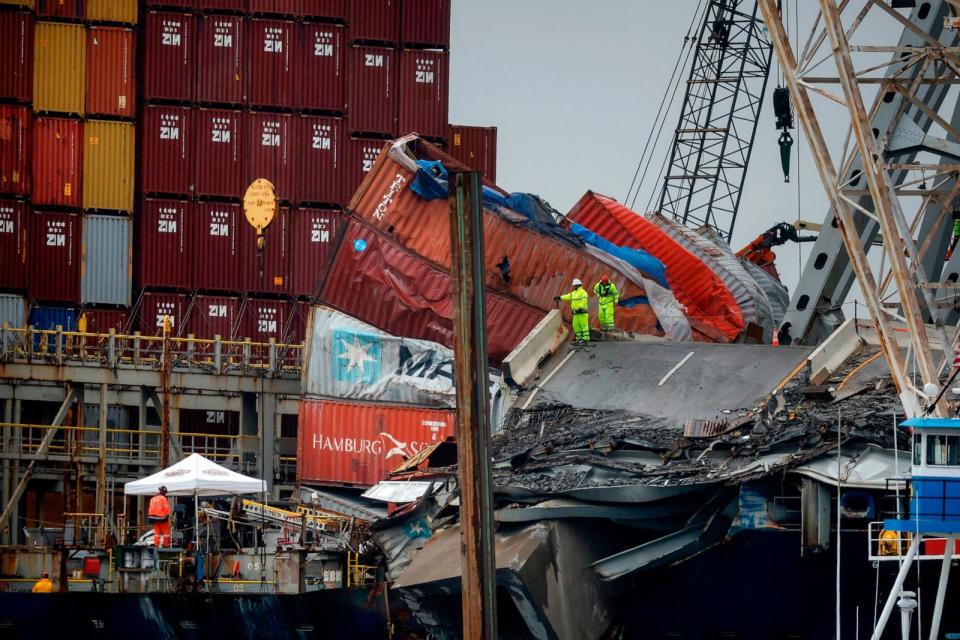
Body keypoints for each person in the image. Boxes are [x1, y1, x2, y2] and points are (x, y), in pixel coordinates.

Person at [554, 278, 591, 345]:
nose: (574, 286)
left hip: (582, 312)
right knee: (575, 325)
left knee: (584, 325)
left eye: (574, 285)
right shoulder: (574, 293)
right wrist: (560, 297)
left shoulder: (583, 292)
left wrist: (580, 308)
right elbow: (568, 296)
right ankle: (579, 339)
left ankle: (585, 339)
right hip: (576, 313)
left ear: (578, 285)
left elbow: (584, 301)